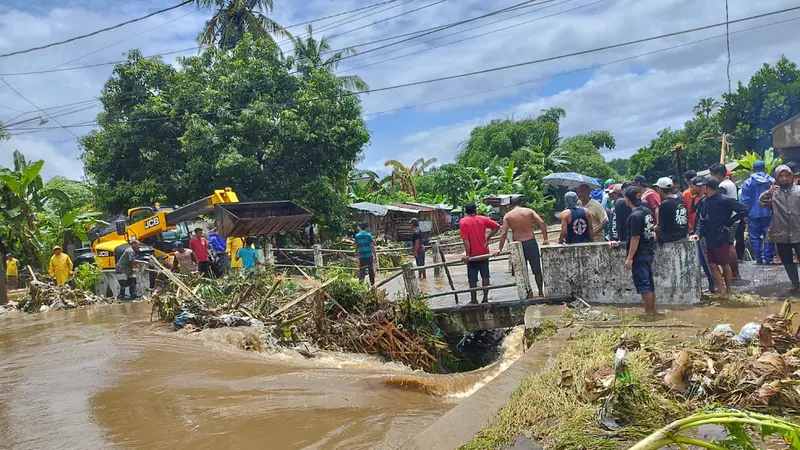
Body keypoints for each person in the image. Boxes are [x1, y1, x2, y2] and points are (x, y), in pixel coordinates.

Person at [690, 177, 747, 299]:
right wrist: (697, 232)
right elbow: (700, 219)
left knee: (724, 264)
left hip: (721, 236)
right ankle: (721, 291)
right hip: (709, 236)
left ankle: (729, 291)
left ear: (707, 187)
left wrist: (729, 222)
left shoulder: (724, 200)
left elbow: (743, 210)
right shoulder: (704, 201)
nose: (702, 188)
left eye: (703, 186)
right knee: (713, 265)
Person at [614, 186, 658, 316]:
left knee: (644, 284)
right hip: (648, 251)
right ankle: (653, 310)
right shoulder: (646, 211)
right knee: (649, 283)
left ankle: (649, 312)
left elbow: (635, 237)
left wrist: (630, 257)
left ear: (628, 199)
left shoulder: (634, 216)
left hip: (640, 253)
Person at [494, 196, 550, 297]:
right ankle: (540, 292)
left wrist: (499, 248)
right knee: (537, 270)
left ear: (510, 205)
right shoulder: (529, 211)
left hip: (518, 246)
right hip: (531, 242)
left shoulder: (508, 216)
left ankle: (527, 294)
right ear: (521, 202)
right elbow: (542, 223)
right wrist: (545, 239)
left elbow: (504, 233)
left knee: (521, 271)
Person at [758, 165, 800, 294]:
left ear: (791, 176)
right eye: (781, 176)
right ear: (777, 178)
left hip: (798, 231)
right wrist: (769, 192)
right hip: (781, 233)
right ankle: (795, 284)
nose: (784, 179)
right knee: (787, 261)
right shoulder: (774, 194)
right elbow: (762, 202)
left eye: (787, 176)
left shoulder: (798, 191)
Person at [459, 202, 501, 304]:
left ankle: (474, 300)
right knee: (485, 276)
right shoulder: (483, 219)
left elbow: (466, 240)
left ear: (465, 211)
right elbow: (497, 226)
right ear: (475, 210)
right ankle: (485, 298)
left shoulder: (463, 222)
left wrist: (468, 254)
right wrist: (489, 237)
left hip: (473, 255)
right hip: (484, 253)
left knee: (472, 279)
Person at [740, 160, 776, 264]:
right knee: (769, 235)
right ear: (764, 168)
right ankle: (769, 257)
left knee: (755, 237)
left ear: (753, 169)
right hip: (768, 213)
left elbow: (745, 200)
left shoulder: (748, 182)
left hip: (752, 214)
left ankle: (759, 257)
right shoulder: (771, 181)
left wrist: (745, 213)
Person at [710, 163, 742, 277]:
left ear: (718, 174)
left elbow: (720, 202)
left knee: (729, 246)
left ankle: (734, 272)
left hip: (728, 220)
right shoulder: (730, 183)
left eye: (712, 175)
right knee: (730, 244)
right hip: (733, 218)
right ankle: (733, 271)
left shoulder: (723, 186)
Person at [690, 176, 716, 293]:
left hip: (705, 234)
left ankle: (713, 286)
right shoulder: (700, 200)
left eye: (692, 186)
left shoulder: (707, 200)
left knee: (707, 261)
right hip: (700, 233)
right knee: (705, 261)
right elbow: (692, 211)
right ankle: (713, 285)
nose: (690, 189)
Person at [654, 177, 688, 243]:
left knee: (648, 236)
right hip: (683, 233)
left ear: (660, 189)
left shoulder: (665, 204)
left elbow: (660, 226)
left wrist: (652, 230)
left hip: (671, 236)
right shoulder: (680, 199)